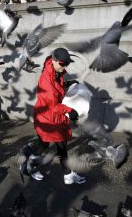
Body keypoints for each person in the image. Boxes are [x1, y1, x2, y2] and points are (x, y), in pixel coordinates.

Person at [32, 47, 86, 185]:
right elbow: (53, 105)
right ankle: (67, 175)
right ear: (54, 61)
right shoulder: (46, 79)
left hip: (50, 117)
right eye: (62, 64)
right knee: (56, 147)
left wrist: (67, 84)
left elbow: (56, 90)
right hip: (48, 120)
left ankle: (33, 165)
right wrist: (70, 111)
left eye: (67, 64)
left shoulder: (55, 72)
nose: (65, 67)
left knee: (50, 145)